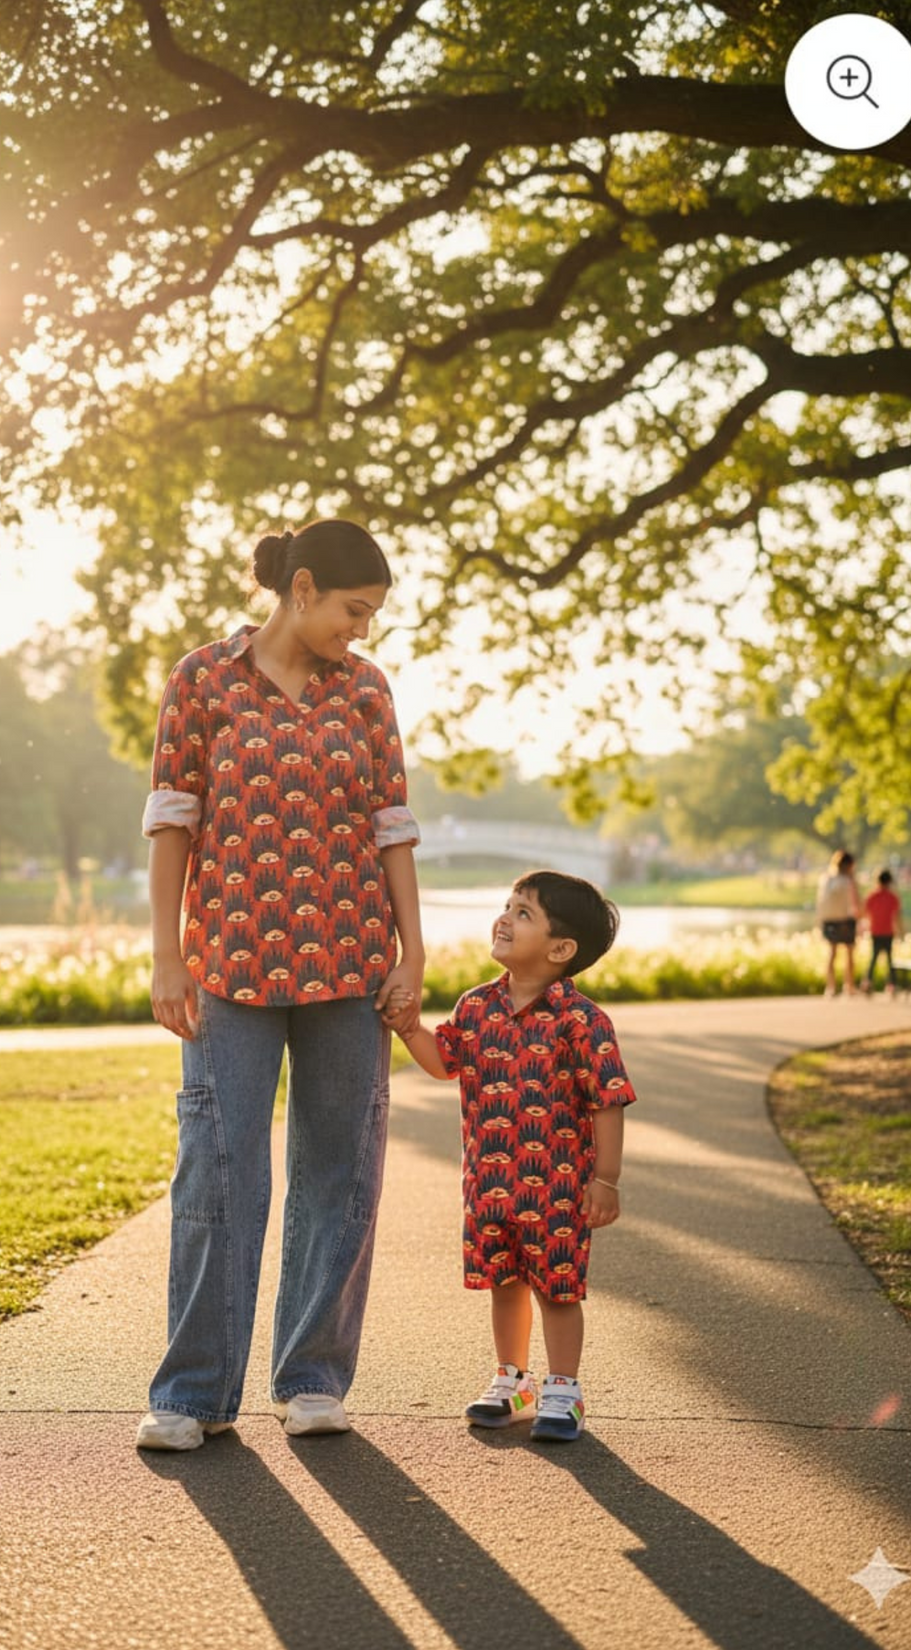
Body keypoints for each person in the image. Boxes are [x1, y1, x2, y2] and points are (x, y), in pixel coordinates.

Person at [136, 519, 424, 1451]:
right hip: (229, 963)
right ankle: (193, 1395)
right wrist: (166, 953)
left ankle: (311, 1379)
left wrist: (413, 953)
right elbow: (173, 820)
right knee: (219, 1168)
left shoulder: (367, 691)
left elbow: (391, 826)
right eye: (354, 610)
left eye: (370, 615)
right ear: (301, 590)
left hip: (351, 963)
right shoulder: (202, 680)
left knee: (341, 1170)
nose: (362, 630)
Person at [383, 870, 637, 1443]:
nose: (504, 918)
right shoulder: (477, 1006)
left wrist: (606, 1179)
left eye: (524, 913)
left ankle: (563, 1387)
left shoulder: (583, 1022)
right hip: (490, 1180)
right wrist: (408, 1029)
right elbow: (444, 1061)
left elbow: (608, 1100)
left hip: (558, 1189)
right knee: (504, 1281)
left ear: (560, 949)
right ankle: (513, 1379)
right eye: (507, 905)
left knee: (558, 1288)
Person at [815, 849, 861, 997]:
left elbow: (820, 903)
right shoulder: (848, 881)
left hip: (829, 920)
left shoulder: (826, 879)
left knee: (832, 954)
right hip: (845, 919)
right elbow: (854, 903)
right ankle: (849, 986)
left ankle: (830, 987)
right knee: (849, 954)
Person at [862, 869, 903, 995]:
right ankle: (892, 984)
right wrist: (901, 931)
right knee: (890, 960)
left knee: (873, 958)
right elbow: (897, 916)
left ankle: (868, 982)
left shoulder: (872, 896)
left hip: (876, 931)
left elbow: (865, 913)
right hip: (888, 932)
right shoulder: (893, 897)